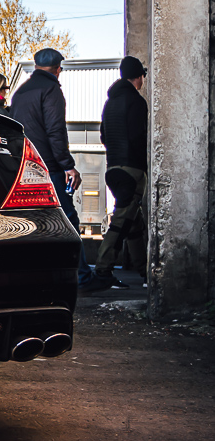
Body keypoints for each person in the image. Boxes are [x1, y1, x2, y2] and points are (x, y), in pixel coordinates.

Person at [10, 48, 94, 287]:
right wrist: (68, 166)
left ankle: (37, 277)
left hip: (24, 166)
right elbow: (55, 130)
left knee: (33, 223)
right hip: (48, 168)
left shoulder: (20, 92)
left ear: (36, 67)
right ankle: (82, 276)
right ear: (58, 69)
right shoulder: (51, 90)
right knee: (66, 219)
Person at [89, 57, 148, 291]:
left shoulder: (110, 102)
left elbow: (103, 135)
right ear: (138, 77)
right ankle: (103, 270)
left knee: (134, 223)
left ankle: (145, 271)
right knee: (122, 222)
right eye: (142, 76)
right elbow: (138, 136)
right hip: (131, 169)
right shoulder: (136, 101)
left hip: (112, 168)